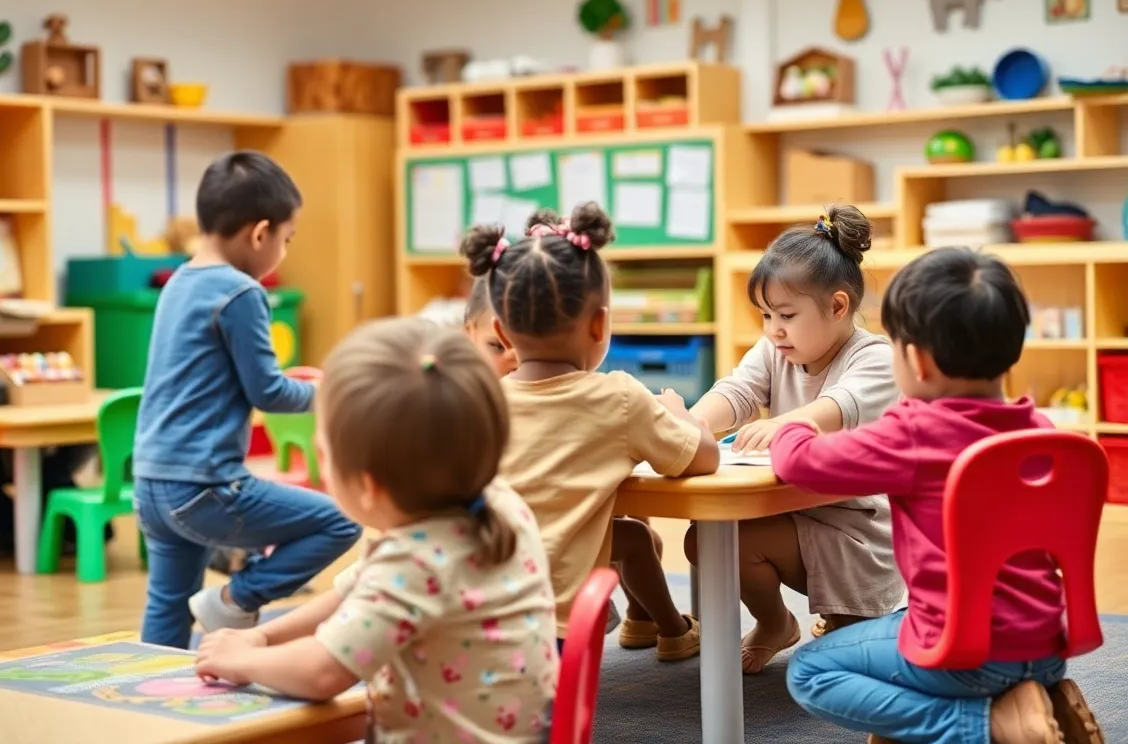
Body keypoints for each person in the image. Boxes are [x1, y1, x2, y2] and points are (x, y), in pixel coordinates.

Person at [773, 247, 1104, 744]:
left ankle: (985, 724)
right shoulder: (1038, 429)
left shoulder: (914, 433)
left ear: (917, 361)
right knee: (901, 619)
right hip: (1047, 642)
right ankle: (1037, 694)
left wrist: (790, 425)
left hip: (964, 655)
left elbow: (799, 464)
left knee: (810, 672)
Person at [196, 318, 559, 742]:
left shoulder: (415, 560)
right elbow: (352, 592)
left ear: (369, 486)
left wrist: (243, 663)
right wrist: (260, 636)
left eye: (324, 454)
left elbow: (321, 672)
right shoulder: (496, 502)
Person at [461, 202, 719, 660]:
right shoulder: (618, 397)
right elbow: (704, 459)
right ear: (601, 324)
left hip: (478, 605)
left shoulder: (482, 402)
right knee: (636, 538)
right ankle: (674, 630)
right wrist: (680, 413)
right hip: (561, 622)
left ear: (500, 328)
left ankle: (648, 623)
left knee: (633, 538)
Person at [133, 151, 361, 649]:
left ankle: (146, 706)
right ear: (260, 234)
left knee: (168, 603)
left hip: (152, 481)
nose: (285, 248)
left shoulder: (179, 282)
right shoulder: (241, 293)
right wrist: (333, 391)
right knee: (340, 521)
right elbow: (270, 392)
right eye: (287, 237)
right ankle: (236, 599)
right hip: (203, 486)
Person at [686, 205, 904, 673]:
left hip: (860, 535)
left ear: (838, 307)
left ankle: (851, 618)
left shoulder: (876, 357)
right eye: (765, 315)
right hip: (793, 511)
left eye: (785, 314)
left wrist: (787, 424)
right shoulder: (774, 349)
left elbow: (836, 409)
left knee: (850, 662)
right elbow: (737, 391)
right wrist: (692, 424)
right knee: (706, 538)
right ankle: (775, 622)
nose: (773, 330)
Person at [0, 444, 106, 560]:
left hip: (59, 445)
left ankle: (77, 530)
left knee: (47, 474)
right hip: (7, 443)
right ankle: (7, 528)